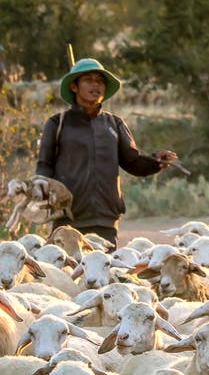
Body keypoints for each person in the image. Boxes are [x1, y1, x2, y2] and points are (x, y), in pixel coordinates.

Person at [33, 58, 176, 246]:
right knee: (67, 273)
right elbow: (44, 165)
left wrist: (156, 161)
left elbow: (133, 162)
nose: (96, 85)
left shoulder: (114, 124)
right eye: (89, 80)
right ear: (74, 86)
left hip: (105, 219)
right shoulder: (57, 124)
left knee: (103, 273)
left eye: (99, 81)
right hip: (67, 220)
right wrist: (40, 191)